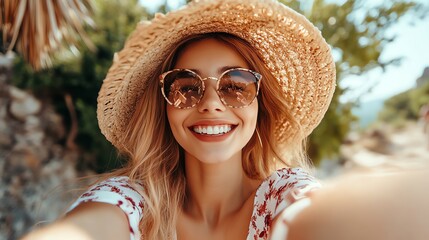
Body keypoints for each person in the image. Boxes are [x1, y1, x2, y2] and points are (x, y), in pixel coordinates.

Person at [21, 0, 429, 240]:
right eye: (185, 86)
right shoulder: (131, 202)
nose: (212, 103)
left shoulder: (282, 196)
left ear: (260, 104)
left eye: (236, 85)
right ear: (164, 105)